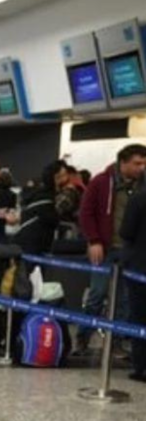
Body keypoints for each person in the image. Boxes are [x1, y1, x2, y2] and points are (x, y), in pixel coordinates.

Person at [76, 144, 146, 353]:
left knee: (125, 299)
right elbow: (86, 213)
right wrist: (93, 240)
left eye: (144, 163)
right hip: (105, 248)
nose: (141, 168)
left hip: (129, 251)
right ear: (122, 162)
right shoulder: (101, 182)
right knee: (97, 294)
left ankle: (116, 342)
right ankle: (82, 338)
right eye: (137, 163)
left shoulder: (141, 187)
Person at [120, 190, 146, 383]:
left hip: (140, 265)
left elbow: (126, 231)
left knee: (139, 316)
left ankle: (141, 367)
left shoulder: (138, 198)